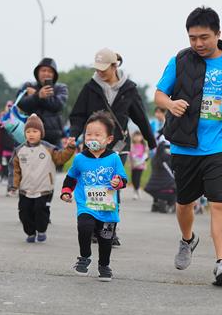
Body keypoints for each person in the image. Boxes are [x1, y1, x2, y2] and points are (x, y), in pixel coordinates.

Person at [154, 6, 222, 286]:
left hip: (219, 142)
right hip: (185, 144)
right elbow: (159, 94)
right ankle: (188, 239)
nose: (198, 43)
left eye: (204, 37)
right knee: (185, 203)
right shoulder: (181, 61)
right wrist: (171, 104)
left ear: (218, 34)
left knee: (219, 202)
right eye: (192, 37)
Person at [69, 47, 156, 246]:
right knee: (93, 185)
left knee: (112, 185)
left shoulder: (129, 89)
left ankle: (109, 230)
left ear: (115, 66)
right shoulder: (90, 87)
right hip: (92, 147)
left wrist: (152, 143)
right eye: (97, 68)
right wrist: (74, 135)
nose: (99, 72)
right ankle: (92, 228)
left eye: (104, 68)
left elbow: (141, 118)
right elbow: (77, 115)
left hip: (117, 146)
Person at [61, 111, 127, 282]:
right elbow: (71, 177)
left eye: (98, 135)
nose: (92, 138)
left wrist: (117, 182)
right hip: (87, 205)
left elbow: (123, 179)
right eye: (88, 134)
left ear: (109, 139)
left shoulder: (114, 158)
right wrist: (66, 191)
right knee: (84, 227)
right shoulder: (80, 158)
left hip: (107, 209)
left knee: (106, 239)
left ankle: (104, 266)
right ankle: (84, 258)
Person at [11, 114, 75, 243]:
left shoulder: (48, 148)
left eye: (35, 131)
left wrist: (70, 148)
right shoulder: (19, 150)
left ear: (41, 133)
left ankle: (41, 230)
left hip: (44, 188)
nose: (31, 134)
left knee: (41, 211)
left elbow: (61, 158)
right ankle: (30, 232)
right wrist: (13, 185)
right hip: (25, 189)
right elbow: (15, 170)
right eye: (28, 131)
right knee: (24, 212)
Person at [17, 58, 68, 147]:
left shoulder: (61, 88)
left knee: (57, 160)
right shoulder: (28, 86)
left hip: (54, 138)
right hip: (31, 136)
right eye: (43, 70)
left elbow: (58, 105)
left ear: (54, 74)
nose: (46, 73)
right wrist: (37, 96)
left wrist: (41, 96)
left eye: (50, 71)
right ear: (37, 73)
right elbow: (20, 103)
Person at [128, 131, 148, 200]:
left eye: (138, 136)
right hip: (134, 165)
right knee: (133, 179)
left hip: (140, 165)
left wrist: (143, 162)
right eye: (135, 136)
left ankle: (137, 191)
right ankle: (136, 189)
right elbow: (130, 155)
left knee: (137, 178)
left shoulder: (143, 146)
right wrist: (130, 163)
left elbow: (145, 155)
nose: (137, 138)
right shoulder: (132, 146)